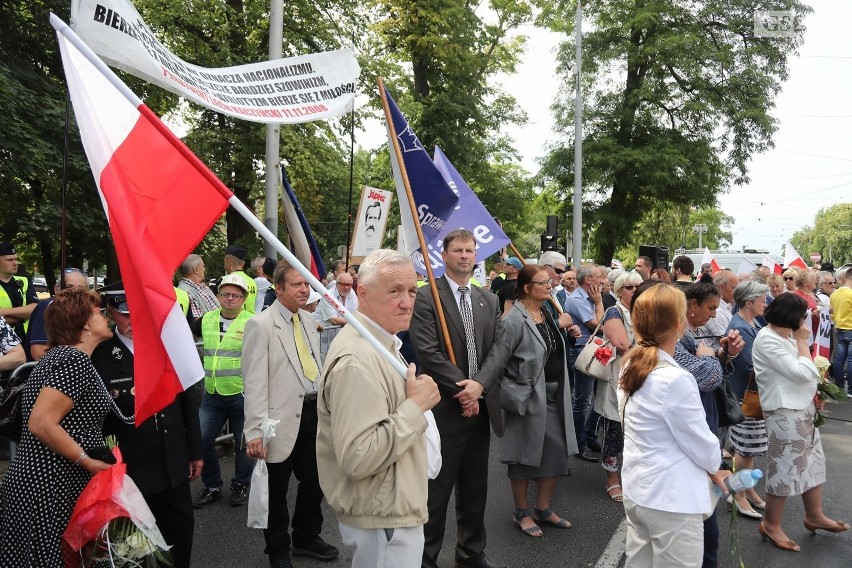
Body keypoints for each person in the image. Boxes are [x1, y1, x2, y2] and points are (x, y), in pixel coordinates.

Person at [316, 250, 440, 568]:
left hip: (390, 507)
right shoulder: (357, 360)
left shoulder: (380, 344)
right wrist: (416, 406)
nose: (406, 302)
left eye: (412, 291)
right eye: (394, 291)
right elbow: (358, 456)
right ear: (362, 294)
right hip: (383, 515)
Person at [411, 228, 510, 568]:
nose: (465, 256)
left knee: (474, 489)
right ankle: (425, 559)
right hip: (444, 411)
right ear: (445, 254)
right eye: (458, 250)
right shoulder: (428, 297)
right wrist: (462, 388)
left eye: (470, 250)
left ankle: (471, 553)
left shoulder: (489, 298)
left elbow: (499, 348)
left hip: (479, 409)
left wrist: (479, 386)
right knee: (435, 494)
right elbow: (428, 352)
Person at [0, 288, 116, 566]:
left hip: (43, 480)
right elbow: (41, 422)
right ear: (85, 323)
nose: (106, 315)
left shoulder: (60, 357)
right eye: (99, 311)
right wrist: (87, 462)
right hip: (49, 485)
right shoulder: (72, 361)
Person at [618, 284, 731, 567]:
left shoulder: (631, 364)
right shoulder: (675, 378)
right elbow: (704, 447)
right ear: (679, 324)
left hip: (638, 488)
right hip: (671, 500)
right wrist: (716, 465)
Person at [92, 284, 203, 568]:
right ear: (111, 312)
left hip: (172, 460)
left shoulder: (165, 344)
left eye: (138, 313)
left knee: (180, 534)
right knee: (135, 546)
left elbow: (186, 400)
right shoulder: (101, 356)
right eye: (125, 314)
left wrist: (194, 450)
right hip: (132, 468)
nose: (133, 321)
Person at [243, 260, 339, 568]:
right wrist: (255, 431)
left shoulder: (309, 321)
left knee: (316, 481)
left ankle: (306, 537)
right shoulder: (261, 325)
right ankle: (279, 551)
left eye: (306, 284)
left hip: (313, 415)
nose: (305, 289)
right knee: (276, 491)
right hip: (278, 422)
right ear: (279, 288)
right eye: (296, 284)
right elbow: (255, 382)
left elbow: (315, 369)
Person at [752, 292, 849, 552]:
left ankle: (814, 515)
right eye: (803, 316)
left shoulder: (784, 337)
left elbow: (807, 376)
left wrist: (815, 393)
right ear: (792, 317)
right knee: (784, 468)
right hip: (785, 413)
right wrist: (804, 343)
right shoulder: (768, 339)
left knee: (813, 463)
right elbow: (801, 371)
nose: (805, 322)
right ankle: (771, 525)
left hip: (801, 409)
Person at [501, 265, 577, 538]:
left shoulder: (546, 311)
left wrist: (565, 332)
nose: (549, 286)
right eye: (542, 282)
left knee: (556, 452)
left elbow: (548, 347)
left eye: (549, 281)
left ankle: (543, 508)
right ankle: (521, 511)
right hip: (530, 395)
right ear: (526, 288)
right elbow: (502, 358)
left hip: (555, 394)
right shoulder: (514, 320)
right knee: (523, 456)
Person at [190, 274, 253, 508]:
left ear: (244, 299)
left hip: (241, 394)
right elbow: (184, 336)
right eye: (225, 294)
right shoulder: (206, 319)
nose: (229, 298)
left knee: (242, 444)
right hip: (212, 394)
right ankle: (213, 486)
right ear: (218, 297)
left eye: (235, 295)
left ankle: (241, 484)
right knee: (203, 440)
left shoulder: (253, 322)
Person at [725, 280, 771, 520]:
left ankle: (747, 488)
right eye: (762, 300)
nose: (765, 303)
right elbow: (748, 366)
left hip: (748, 394)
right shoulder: (741, 327)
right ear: (748, 302)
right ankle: (738, 493)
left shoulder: (749, 322)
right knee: (745, 447)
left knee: (747, 448)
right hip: (745, 396)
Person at [596, 271, 642, 503]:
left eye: (637, 287)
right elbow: (623, 344)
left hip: (641, 378)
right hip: (619, 378)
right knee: (615, 430)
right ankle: (612, 478)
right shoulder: (614, 311)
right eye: (629, 287)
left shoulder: (642, 311)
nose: (634, 291)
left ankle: (631, 475)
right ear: (619, 290)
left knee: (636, 431)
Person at [565, 264, 605, 462]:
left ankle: (588, 436)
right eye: (599, 276)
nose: (603, 280)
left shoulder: (586, 298)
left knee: (597, 398)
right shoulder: (576, 300)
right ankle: (578, 443)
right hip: (583, 352)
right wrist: (598, 303)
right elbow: (600, 326)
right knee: (582, 401)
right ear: (588, 280)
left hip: (595, 350)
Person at [26, 268, 89, 360]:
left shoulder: (84, 311)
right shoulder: (50, 307)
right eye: (69, 287)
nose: (74, 292)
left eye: (81, 289)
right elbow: (38, 352)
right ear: (56, 289)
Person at [0, 242, 37, 341]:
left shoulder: (24, 281)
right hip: (3, 344)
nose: (15, 263)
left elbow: (35, 309)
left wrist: (3, 312)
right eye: (9, 260)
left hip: (28, 340)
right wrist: (24, 315)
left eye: (16, 259)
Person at [177, 254, 220, 320]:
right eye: (203, 266)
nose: (204, 269)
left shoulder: (202, 287)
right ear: (196, 270)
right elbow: (197, 323)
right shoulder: (185, 292)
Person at [831, 267, 852, 392]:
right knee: (851, 359)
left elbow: (832, 314)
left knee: (839, 359)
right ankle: (850, 389)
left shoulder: (834, 294)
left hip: (839, 329)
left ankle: (839, 387)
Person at [223, 245, 257, 314]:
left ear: (228, 262)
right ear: (243, 264)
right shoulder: (252, 282)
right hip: (251, 321)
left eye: (224, 263)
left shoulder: (225, 281)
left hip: (233, 322)